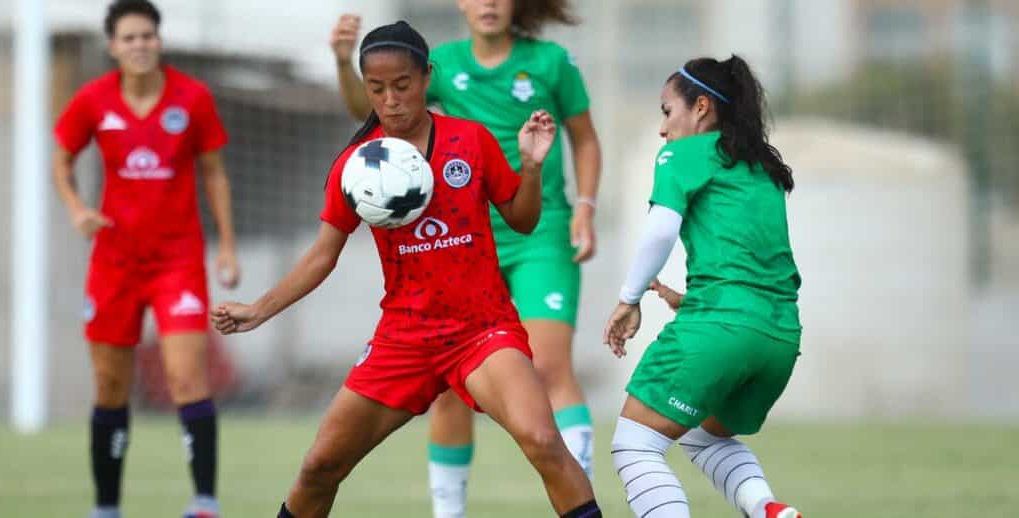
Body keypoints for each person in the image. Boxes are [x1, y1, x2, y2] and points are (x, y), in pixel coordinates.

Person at [212, 21, 600, 518]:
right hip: (405, 337)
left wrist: (530, 165)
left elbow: (522, 222)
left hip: (482, 332)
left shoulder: (470, 140)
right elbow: (321, 255)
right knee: (319, 466)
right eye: (377, 89)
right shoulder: (355, 166)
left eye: (402, 85)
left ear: (426, 79)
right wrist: (257, 309)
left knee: (545, 440)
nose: (391, 100)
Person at [330, 3, 602, 515]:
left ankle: (579, 487)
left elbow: (585, 140)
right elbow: (366, 111)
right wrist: (345, 61)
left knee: (545, 364)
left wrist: (585, 208)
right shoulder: (440, 62)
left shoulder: (551, 61)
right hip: (462, 235)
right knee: (452, 381)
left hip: (538, 228)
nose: (489, 3)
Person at [52, 1, 239, 517]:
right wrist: (76, 209)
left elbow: (215, 173)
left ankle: (204, 502)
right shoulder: (92, 100)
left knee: (187, 380)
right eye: (129, 38)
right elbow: (62, 158)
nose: (139, 45)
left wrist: (225, 244)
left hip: (177, 262)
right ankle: (106, 506)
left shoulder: (192, 98)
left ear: (159, 41)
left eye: (147, 36)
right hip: (113, 264)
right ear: (113, 47)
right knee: (111, 386)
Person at [602, 55, 803, 518]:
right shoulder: (760, 170)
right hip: (779, 338)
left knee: (636, 444)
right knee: (702, 434)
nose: (662, 128)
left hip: (720, 327)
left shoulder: (685, 153)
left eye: (666, 111)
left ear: (700, 108)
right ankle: (768, 509)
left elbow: (658, 231)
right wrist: (691, 299)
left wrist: (628, 300)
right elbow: (755, 272)